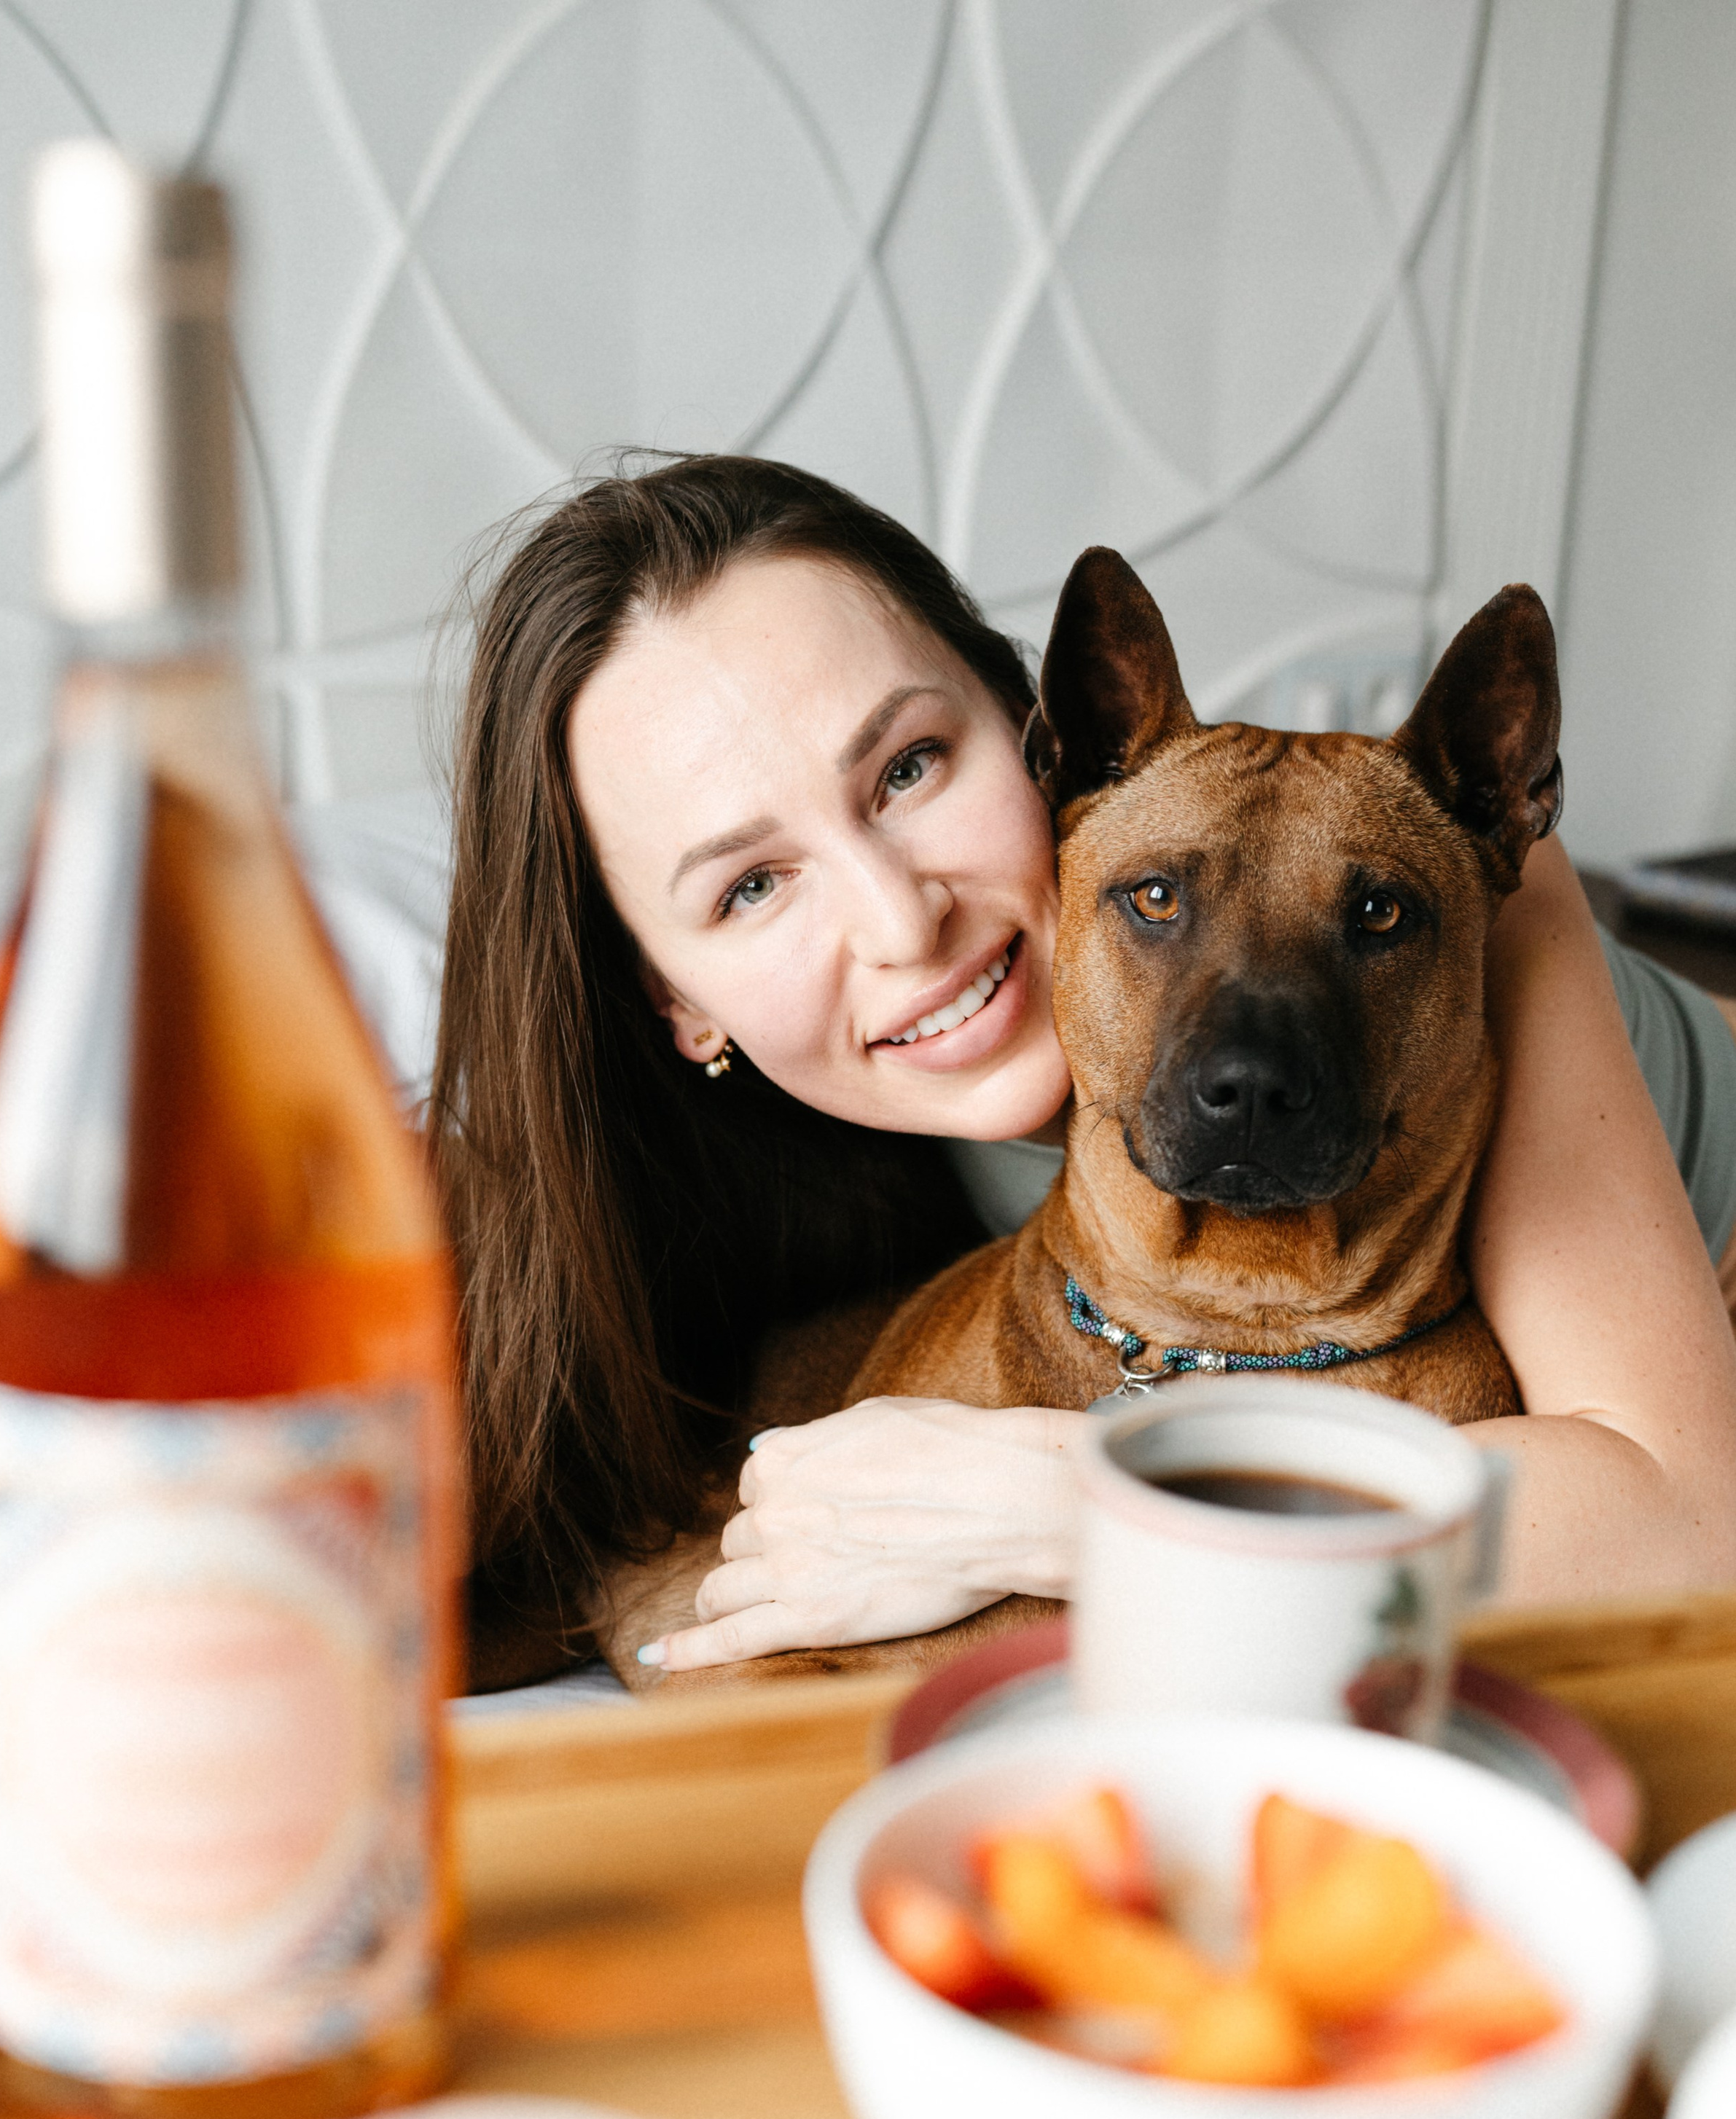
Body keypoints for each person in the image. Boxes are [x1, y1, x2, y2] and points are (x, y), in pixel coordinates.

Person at [430, 455, 1736, 1683]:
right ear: (675, 998)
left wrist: (1067, 1504)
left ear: (1039, 733)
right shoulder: (739, 1184)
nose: (901, 925)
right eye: (752, 885)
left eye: (908, 766)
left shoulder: (1433, 874)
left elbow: (1685, 1530)